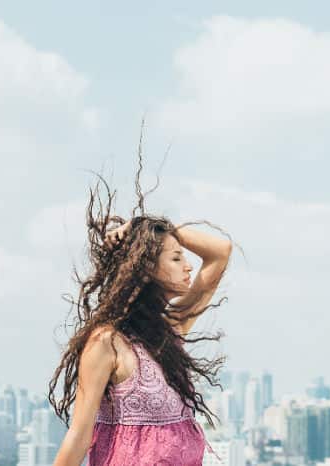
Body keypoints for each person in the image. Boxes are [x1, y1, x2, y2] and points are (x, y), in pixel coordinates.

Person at [49, 166, 236, 465]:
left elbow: (220, 252)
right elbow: (79, 437)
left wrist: (148, 226)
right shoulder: (105, 343)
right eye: (176, 258)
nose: (188, 266)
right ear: (145, 266)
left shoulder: (171, 329)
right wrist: (145, 236)